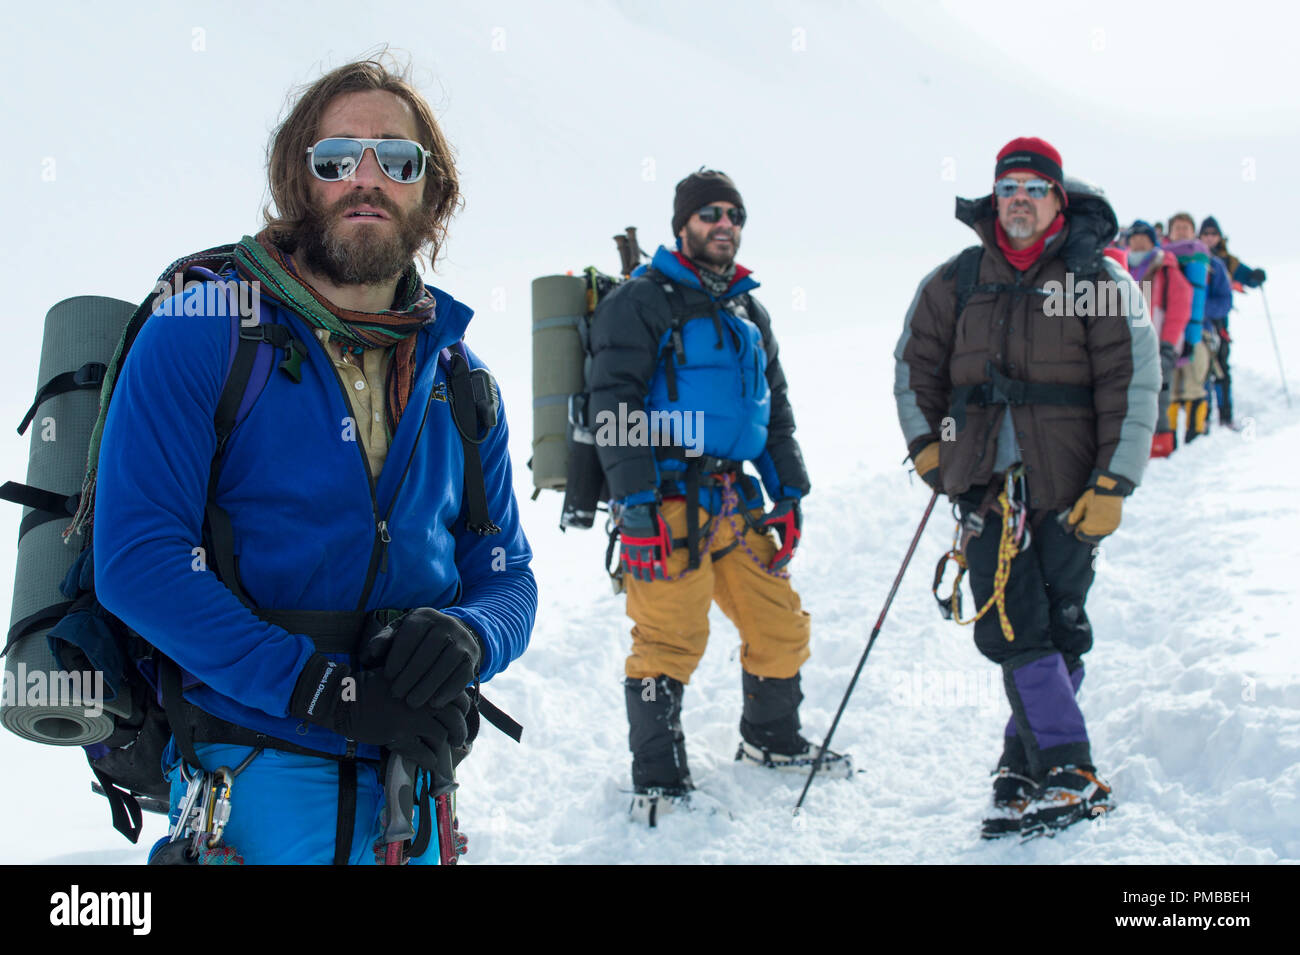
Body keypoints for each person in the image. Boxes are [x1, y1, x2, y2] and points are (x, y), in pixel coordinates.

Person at [92, 58, 537, 864]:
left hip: (415, 795)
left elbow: (508, 573)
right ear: (299, 179)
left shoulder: (461, 380)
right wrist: (326, 692)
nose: (366, 179)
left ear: (432, 193)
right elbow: (138, 562)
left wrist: (471, 635)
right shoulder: (203, 332)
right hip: (252, 787)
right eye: (337, 158)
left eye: (398, 161)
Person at [894, 137, 1159, 837]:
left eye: (1034, 187)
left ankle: (1021, 764)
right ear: (994, 196)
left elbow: (1132, 384)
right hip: (985, 487)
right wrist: (928, 451)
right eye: (1008, 186)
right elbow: (914, 366)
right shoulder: (955, 279)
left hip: (1071, 488)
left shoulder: (1097, 279)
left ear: (1057, 199)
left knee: (1060, 624)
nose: (1019, 199)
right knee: (1011, 624)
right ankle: (1070, 765)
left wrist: (1114, 482)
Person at [586, 168, 847, 824]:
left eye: (733, 214)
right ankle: (659, 777)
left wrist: (790, 492)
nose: (723, 224)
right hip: (668, 499)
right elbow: (612, 403)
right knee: (670, 636)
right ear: (683, 226)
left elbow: (774, 409)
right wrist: (636, 503)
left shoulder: (748, 308)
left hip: (737, 498)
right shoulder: (640, 301)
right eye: (709, 214)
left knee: (779, 624)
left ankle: (772, 739)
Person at [1125, 220, 1193, 457]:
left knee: (1159, 395)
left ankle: (1161, 444)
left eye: (1143, 237)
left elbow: (1179, 308)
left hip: (1159, 343)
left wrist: (1168, 345)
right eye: (1133, 238)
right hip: (1128, 344)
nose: (1137, 242)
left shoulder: (1165, 268)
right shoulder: (1121, 268)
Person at [1199, 216, 1266, 427]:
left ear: (1219, 237)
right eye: (1206, 234)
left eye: (1213, 234)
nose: (1210, 238)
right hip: (1195, 323)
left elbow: (1247, 277)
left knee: (1221, 368)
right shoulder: (1192, 256)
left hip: (1219, 323)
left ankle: (1225, 416)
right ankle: (1203, 418)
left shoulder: (1228, 261)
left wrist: (1256, 277)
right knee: (1201, 370)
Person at [1164, 213, 1214, 443]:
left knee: (1195, 384)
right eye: (1177, 228)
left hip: (1199, 333)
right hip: (1168, 334)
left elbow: (1223, 298)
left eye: (1186, 228)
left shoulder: (1209, 263)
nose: (1182, 231)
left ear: (1193, 232)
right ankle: (1169, 437)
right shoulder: (1161, 261)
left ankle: (1196, 436)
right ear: (1169, 233)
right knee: (1171, 387)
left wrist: (1201, 310)